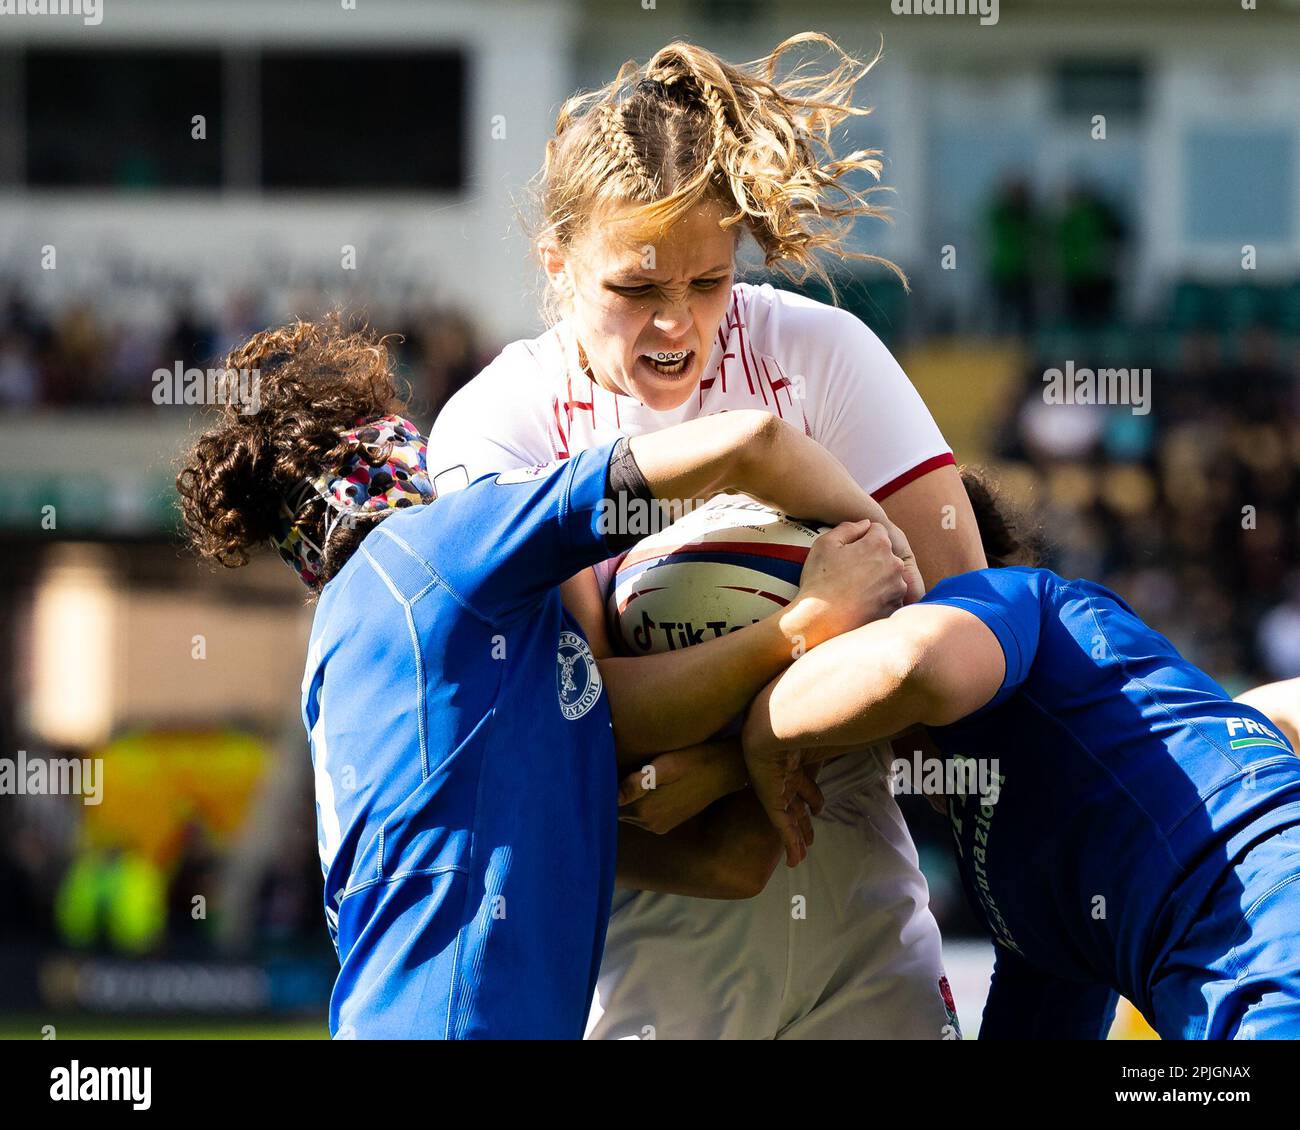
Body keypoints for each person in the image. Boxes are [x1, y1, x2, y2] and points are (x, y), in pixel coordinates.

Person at [428, 31, 984, 1040]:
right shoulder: (492, 431)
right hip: (642, 966)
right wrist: (803, 637)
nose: (678, 325)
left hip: (858, 928)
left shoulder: (819, 353)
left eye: (708, 282)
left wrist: (748, 745)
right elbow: (582, 716)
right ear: (555, 263)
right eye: (635, 289)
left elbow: (966, 648)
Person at [176, 314, 917, 1039]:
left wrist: (746, 755)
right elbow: (750, 441)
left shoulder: (351, 657)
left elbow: (731, 862)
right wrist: (853, 584)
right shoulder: (436, 547)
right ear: (380, 446)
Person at [742, 471, 1300, 1040]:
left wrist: (763, 734)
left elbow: (910, 665)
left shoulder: (1017, 597)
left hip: (1271, 940)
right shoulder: (1011, 874)